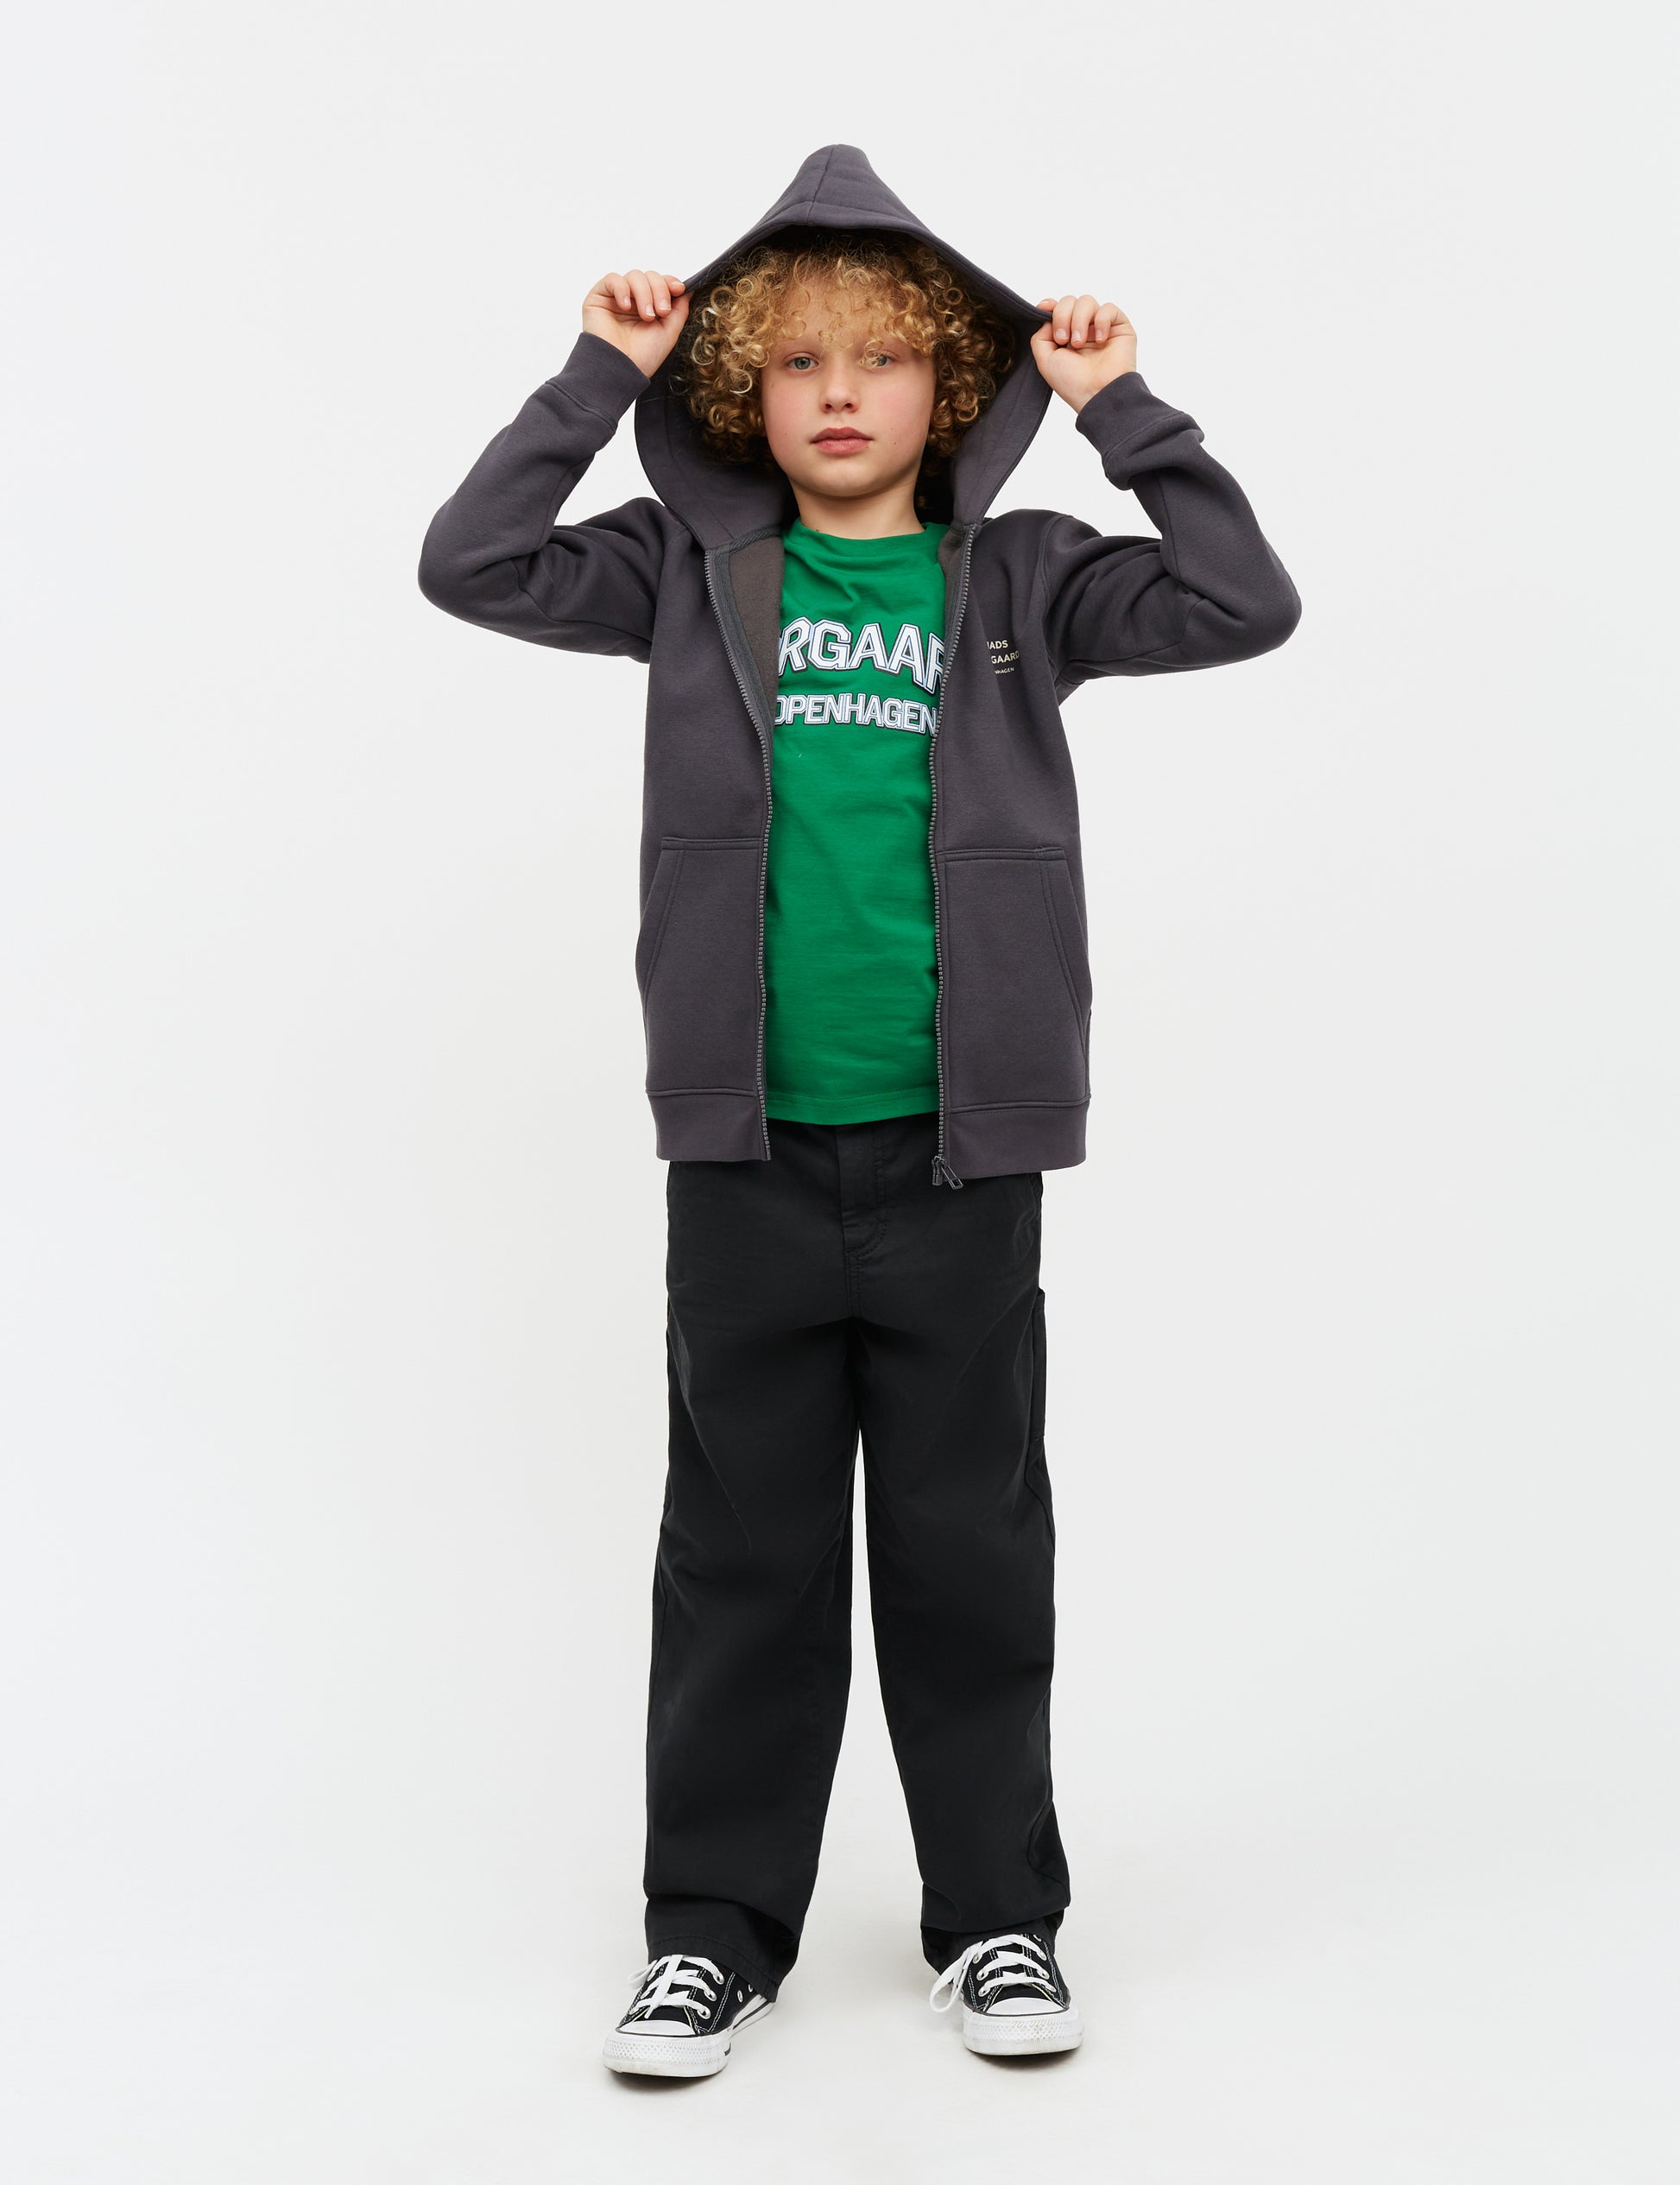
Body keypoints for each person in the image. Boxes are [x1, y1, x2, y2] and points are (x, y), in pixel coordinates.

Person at [418, 143, 1300, 2077]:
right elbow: (469, 563)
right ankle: (711, 1936)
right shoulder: (679, 571)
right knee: (742, 1558)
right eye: (795, 359)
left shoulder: (1028, 576)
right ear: (741, 390)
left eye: (882, 358)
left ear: (948, 386)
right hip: (741, 1152)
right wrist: (596, 380)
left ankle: (997, 1922)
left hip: (957, 1156)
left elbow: (1245, 601)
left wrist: (1121, 410)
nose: (836, 392)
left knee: (966, 1551)